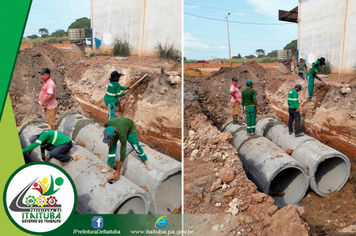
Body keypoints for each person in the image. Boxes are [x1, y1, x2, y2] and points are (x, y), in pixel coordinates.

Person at [103, 116, 152, 180]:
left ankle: (145, 159)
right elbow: (108, 132)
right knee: (112, 145)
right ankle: (110, 164)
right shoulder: (107, 124)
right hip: (120, 125)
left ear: (114, 135)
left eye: (111, 138)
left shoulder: (122, 134)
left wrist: (118, 171)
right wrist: (110, 140)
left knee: (136, 146)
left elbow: (123, 154)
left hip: (130, 129)